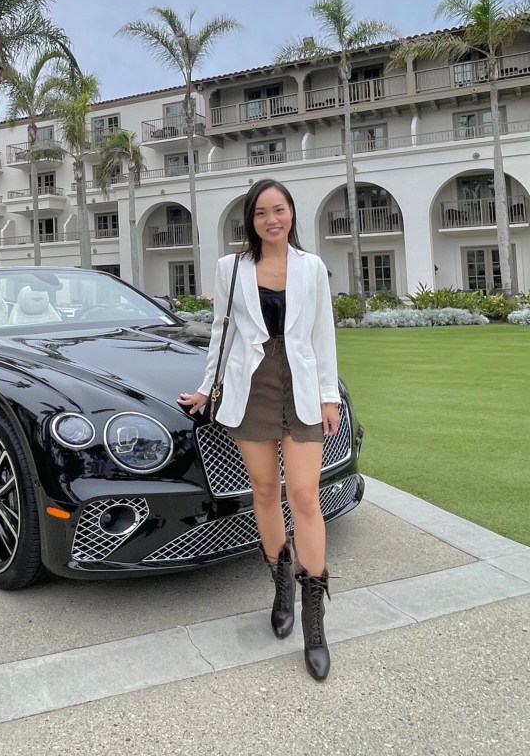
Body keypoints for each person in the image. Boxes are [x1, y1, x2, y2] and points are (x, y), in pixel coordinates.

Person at [179, 178, 341, 682]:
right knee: (265, 493)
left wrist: (329, 395)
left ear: (291, 213)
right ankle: (281, 586)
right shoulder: (231, 268)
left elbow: (323, 333)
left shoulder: (311, 267)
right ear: (250, 220)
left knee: (305, 496)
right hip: (251, 387)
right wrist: (206, 389)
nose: (272, 219)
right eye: (261, 212)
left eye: (280, 209)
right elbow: (222, 333)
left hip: (302, 386)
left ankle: (314, 624)